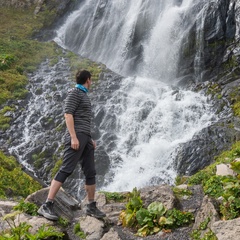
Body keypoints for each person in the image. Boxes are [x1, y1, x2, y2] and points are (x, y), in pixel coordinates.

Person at [38, 70, 106, 220]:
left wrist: (89, 139)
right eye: (91, 80)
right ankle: (47, 204)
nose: (92, 83)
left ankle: (91, 206)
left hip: (85, 138)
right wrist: (74, 137)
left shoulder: (83, 95)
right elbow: (68, 114)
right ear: (88, 80)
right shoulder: (75, 93)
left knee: (90, 172)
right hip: (76, 137)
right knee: (66, 169)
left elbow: (83, 120)